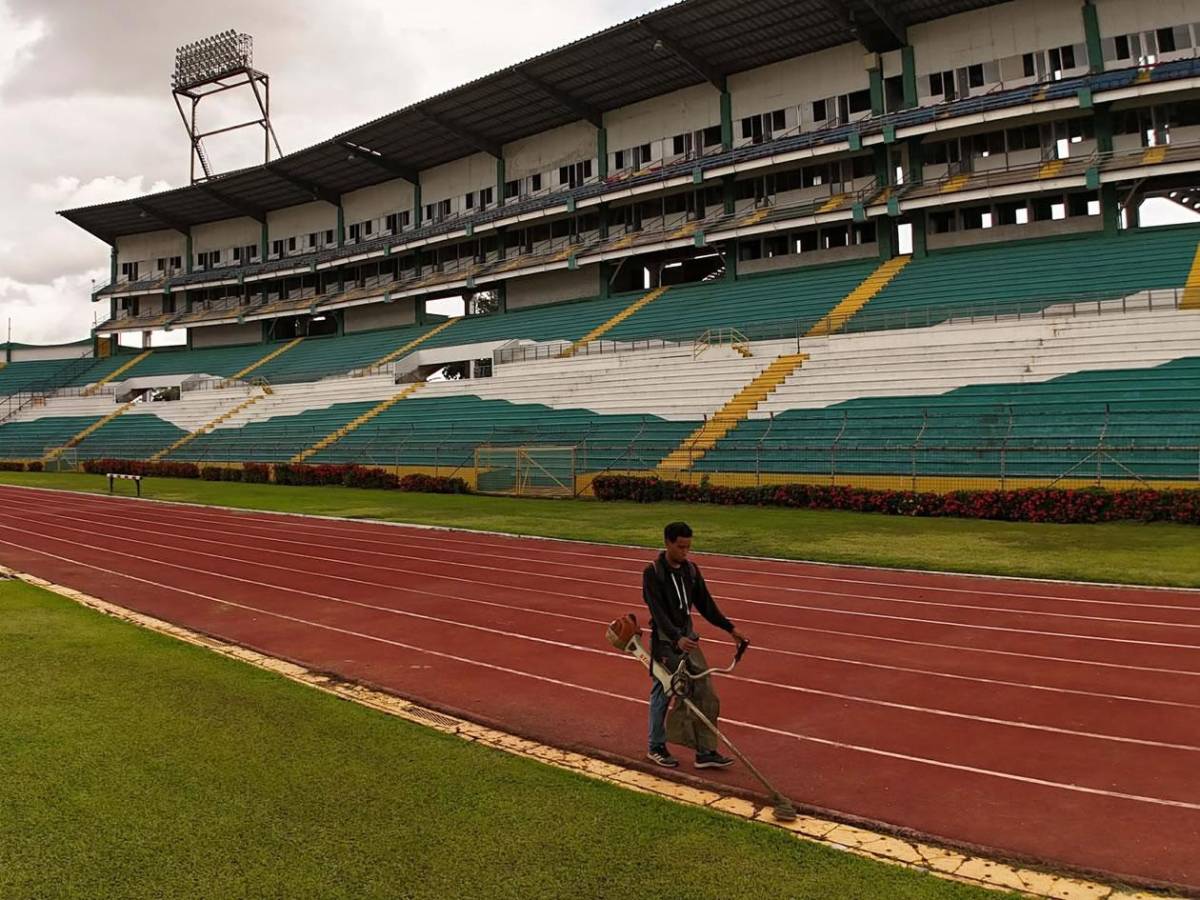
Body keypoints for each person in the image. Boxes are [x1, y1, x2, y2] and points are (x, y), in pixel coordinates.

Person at [642, 521, 747, 769]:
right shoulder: (653, 572)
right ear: (667, 543)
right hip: (666, 642)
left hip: (688, 639)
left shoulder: (691, 571)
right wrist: (675, 636)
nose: (685, 552)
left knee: (705, 692)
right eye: (680, 547)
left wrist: (730, 629)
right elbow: (657, 612)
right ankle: (655, 746)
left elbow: (706, 605)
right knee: (664, 691)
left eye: (688, 547)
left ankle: (705, 751)